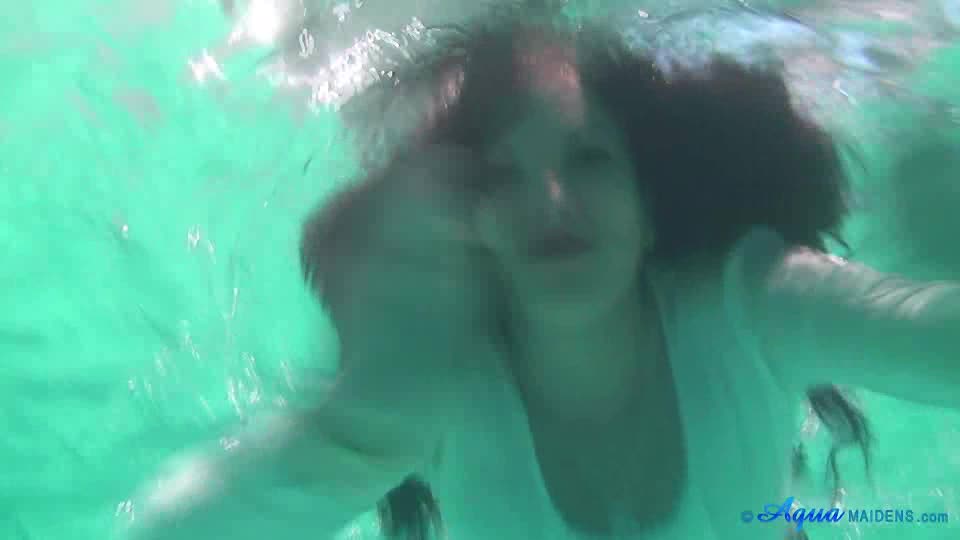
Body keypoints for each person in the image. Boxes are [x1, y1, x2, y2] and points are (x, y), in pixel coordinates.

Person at [120, 17, 960, 540]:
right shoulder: (446, 391)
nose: (551, 201)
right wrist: (370, 416)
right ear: (469, 224)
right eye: (500, 176)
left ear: (650, 203)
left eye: (588, 158)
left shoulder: (750, 304)